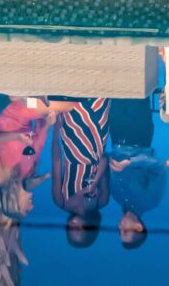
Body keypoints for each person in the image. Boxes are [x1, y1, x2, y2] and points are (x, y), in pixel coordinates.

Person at [51, 97, 110, 248]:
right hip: (97, 141)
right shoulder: (101, 201)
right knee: (99, 95)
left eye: (71, 230)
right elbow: (105, 160)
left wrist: (56, 130)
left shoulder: (61, 201)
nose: (74, 226)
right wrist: (94, 182)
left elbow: (56, 162)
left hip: (71, 143)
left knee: (72, 96)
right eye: (79, 230)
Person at [108, 97, 166, 250]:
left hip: (116, 135)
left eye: (119, 231)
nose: (120, 226)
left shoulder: (117, 197)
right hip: (139, 136)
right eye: (125, 231)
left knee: (114, 89)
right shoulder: (150, 201)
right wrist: (131, 162)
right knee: (137, 85)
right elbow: (160, 167)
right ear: (138, 227)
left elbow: (109, 163)